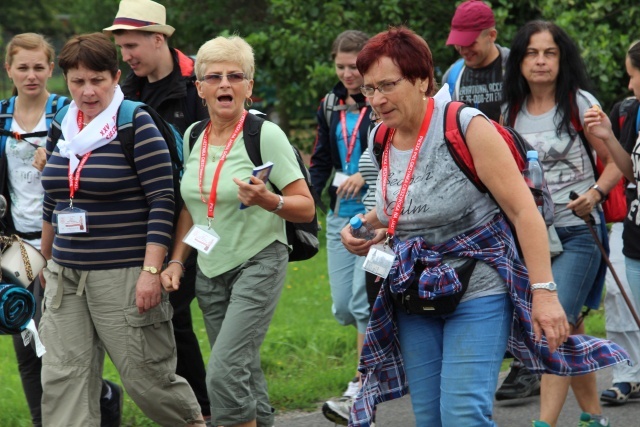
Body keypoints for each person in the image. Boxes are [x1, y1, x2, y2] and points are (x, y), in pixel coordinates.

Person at [340, 26, 629, 427]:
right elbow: (399, 208)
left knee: (462, 415)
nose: (377, 99)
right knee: (429, 418)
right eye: (370, 89)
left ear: (422, 79)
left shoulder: (465, 126)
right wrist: (368, 228)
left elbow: (522, 210)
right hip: (415, 290)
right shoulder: (381, 137)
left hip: (478, 288)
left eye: (388, 85)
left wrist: (544, 293)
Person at [38, 32, 204, 427]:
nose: (87, 91)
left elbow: (163, 200)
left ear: (115, 77)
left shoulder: (135, 122)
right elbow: (54, 197)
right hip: (66, 272)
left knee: (146, 377)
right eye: (78, 81)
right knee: (63, 377)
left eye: (97, 80)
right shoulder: (63, 123)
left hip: (124, 273)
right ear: (66, 82)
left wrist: (151, 271)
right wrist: (44, 261)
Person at [159, 35, 315, 427]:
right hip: (211, 268)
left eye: (235, 76)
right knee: (242, 368)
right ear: (200, 88)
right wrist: (177, 261)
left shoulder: (265, 135)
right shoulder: (193, 135)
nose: (224, 84)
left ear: (249, 86)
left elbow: (305, 206)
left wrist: (268, 200)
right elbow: (194, 208)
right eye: (213, 77)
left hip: (258, 259)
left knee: (224, 373)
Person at [502, 20, 623, 427]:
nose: (540, 61)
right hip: (532, 236)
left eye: (549, 53)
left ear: (561, 58)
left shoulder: (579, 102)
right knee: (568, 326)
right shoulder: (508, 111)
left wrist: (597, 194)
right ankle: (593, 418)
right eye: (532, 53)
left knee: (552, 326)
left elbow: (615, 163)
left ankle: (544, 424)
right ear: (519, 61)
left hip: (578, 231)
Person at [2, 32, 122, 427]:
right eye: (23, 67)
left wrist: (52, 161)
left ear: (52, 69)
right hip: (17, 247)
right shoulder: (1, 116)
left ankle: (103, 397)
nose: (31, 75)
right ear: (9, 70)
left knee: (64, 346)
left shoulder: (67, 114)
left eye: (39, 67)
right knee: (25, 340)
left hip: (64, 242)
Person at [102, 0, 211, 420]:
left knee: (204, 319)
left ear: (159, 38)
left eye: (131, 45)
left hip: (209, 220)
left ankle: (225, 405)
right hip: (155, 221)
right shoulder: (124, 90)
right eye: (122, 47)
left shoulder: (199, 81)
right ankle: (200, 410)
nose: (126, 56)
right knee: (172, 316)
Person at [308, 30, 373, 425]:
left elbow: (390, 146)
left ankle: (362, 383)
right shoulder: (330, 104)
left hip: (371, 216)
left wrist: (365, 176)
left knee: (362, 304)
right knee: (344, 308)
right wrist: (307, 203)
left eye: (355, 66)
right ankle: (390, 349)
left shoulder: (380, 100)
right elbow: (319, 159)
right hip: (338, 216)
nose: (349, 74)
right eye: (341, 66)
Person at [585, 40, 640, 407]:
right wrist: (606, 135)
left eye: (634, 75)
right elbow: (630, 170)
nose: (631, 85)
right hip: (636, 244)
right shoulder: (634, 112)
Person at [442, 0, 509, 122]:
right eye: (458, 43)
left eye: (470, 43)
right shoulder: (452, 77)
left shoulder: (516, 67)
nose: (463, 51)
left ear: (492, 35)